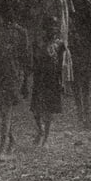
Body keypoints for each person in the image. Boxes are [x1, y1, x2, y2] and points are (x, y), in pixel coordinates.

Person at [0, 0, 30, 154]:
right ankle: (11, 140)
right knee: (2, 109)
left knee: (7, 107)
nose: (9, 14)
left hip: (14, 74)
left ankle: (3, 144)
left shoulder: (21, 32)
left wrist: (25, 82)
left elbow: (26, 58)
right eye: (6, 10)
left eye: (12, 11)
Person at [30, 15, 65, 146]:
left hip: (53, 79)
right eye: (50, 27)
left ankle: (46, 138)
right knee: (36, 109)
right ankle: (40, 129)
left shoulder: (60, 44)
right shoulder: (38, 43)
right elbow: (33, 60)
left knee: (49, 110)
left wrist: (62, 82)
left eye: (54, 27)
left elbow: (62, 65)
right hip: (40, 77)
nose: (52, 29)